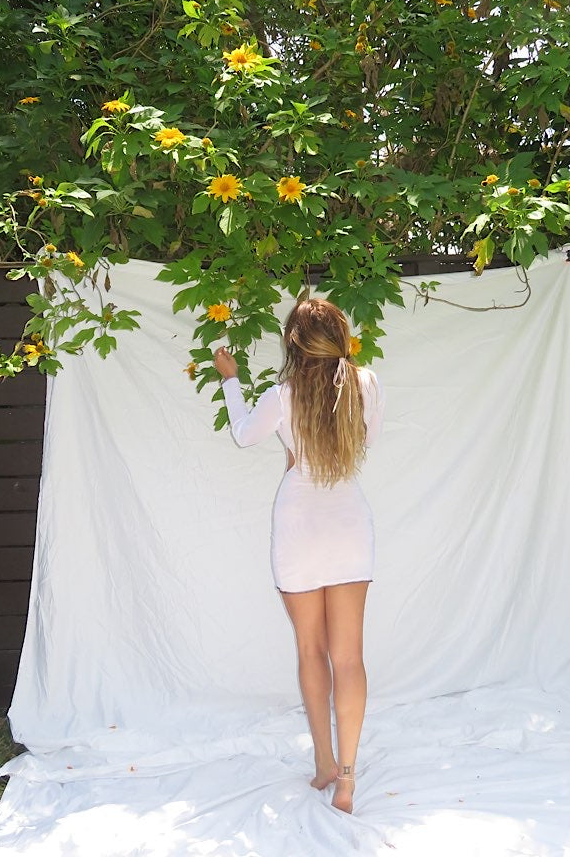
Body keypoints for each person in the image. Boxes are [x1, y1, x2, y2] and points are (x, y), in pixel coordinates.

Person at [213, 297, 386, 816]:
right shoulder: (367, 384)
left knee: (311, 649)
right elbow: (366, 441)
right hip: (349, 523)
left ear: (294, 342)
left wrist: (231, 379)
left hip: (298, 526)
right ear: (340, 337)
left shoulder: (282, 394)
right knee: (349, 658)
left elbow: (244, 435)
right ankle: (347, 780)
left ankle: (324, 763)